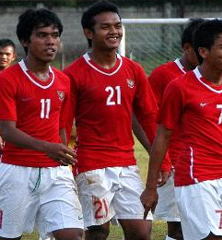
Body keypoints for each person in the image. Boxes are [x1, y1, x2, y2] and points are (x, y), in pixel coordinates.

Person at [141, 19, 222, 240]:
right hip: (195, 178)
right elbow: (162, 136)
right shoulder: (179, 86)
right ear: (204, 52)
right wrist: (151, 186)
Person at [63, 1, 157, 239]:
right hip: (91, 165)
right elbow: (62, 124)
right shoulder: (73, 74)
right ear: (89, 33)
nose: (114, 31)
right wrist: (63, 165)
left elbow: (148, 118)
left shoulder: (134, 70)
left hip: (126, 164)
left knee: (141, 231)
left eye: (117, 25)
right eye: (106, 27)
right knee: (97, 231)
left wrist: (162, 161)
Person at [0, 9, 84, 240]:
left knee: (73, 235)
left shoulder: (64, 81)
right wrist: (49, 147)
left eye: (55, 35)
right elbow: (7, 131)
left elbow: (62, 128)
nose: (51, 41)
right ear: (25, 40)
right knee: (8, 237)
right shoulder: (6, 79)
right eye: (42, 35)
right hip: (16, 170)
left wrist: (63, 154)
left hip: (55, 173)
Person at [146, 18, 205, 240]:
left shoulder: (214, 76)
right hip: (175, 162)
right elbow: (150, 119)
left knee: (202, 226)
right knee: (179, 227)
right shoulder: (164, 75)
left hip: (204, 164)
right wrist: (163, 161)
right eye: (201, 49)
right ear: (188, 48)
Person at [0, 39, 17, 163]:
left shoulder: (18, 78)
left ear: (14, 56)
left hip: (14, 138)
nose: (3, 57)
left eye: (7, 54)